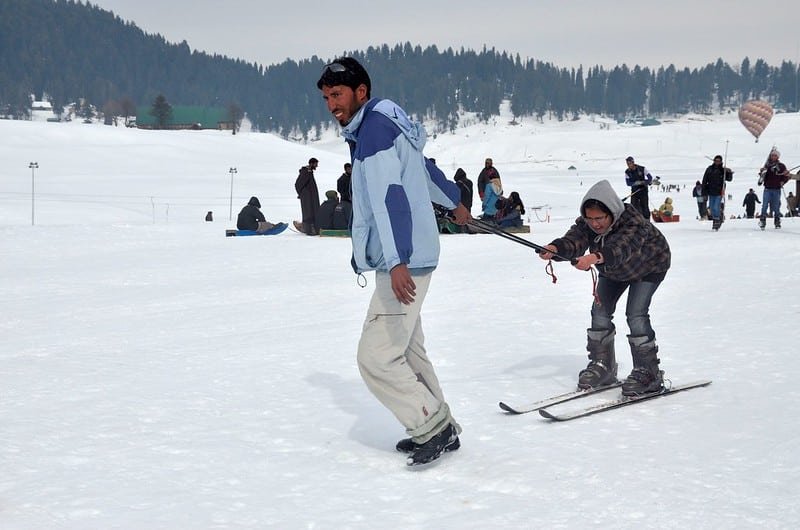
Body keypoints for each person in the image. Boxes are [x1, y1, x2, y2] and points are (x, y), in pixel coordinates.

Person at [317, 57, 471, 466]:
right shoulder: (387, 124)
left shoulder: (372, 134)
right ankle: (443, 425)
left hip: (403, 260)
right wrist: (455, 202)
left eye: (337, 95)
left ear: (360, 92)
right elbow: (422, 169)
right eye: (327, 97)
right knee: (408, 351)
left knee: (376, 357)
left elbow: (392, 201)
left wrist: (397, 260)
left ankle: (430, 426)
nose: (331, 104)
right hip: (411, 254)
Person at [538, 179, 671, 397]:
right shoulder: (587, 224)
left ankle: (649, 373)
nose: (595, 224)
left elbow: (620, 248)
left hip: (649, 267)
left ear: (612, 212)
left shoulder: (633, 222)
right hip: (613, 271)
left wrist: (594, 257)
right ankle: (603, 366)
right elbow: (575, 240)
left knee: (636, 314)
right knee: (599, 312)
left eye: (599, 218)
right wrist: (555, 248)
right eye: (590, 219)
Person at [758, 148, 790, 229]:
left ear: (778, 157)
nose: (773, 157)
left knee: (776, 206)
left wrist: (783, 181)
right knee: (764, 205)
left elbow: (786, 176)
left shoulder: (781, 166)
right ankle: (762, 221)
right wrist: (761, 172)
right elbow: (763, 176)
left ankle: (777, 221)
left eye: (775, 155)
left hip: (777, 189)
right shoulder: (767, 166)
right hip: (767, 189)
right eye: (772, 155)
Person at [701, 155, 733, 230]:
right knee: (711, 208)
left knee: (716, 207)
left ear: (721, 161)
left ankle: (717, 220)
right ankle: (716, 219)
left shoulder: (723, 170)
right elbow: (705, 180)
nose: (717, 162)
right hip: (711, 191)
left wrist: (729, 172)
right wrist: (704, 191)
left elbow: (729, 179)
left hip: (719, 192)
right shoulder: (709, 169)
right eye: (716, 160)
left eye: (719, 161)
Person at [295, 157, 320, 235]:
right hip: (307, 198)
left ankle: (313, 228)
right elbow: (298, 184)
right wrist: (303, 194)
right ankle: (309, 229)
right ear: (311, 163)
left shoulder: (309, 172)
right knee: (308, 213)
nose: (317, 166)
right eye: (316, 164)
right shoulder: (305, 172)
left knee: (313, 212)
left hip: (311, 197)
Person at [624, 156, 653, 220]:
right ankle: (635, 221)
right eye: (627, 164)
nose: (628, 165)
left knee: (644, 206)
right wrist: (638, 183)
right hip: (634, 191)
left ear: (633, 162)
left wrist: (645, 182)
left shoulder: (642, 169)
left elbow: (650, 178)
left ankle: (647, 220)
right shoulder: (627, 172)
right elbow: (628, 183)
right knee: (633, 207)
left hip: (643, 190)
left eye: (629, 163)